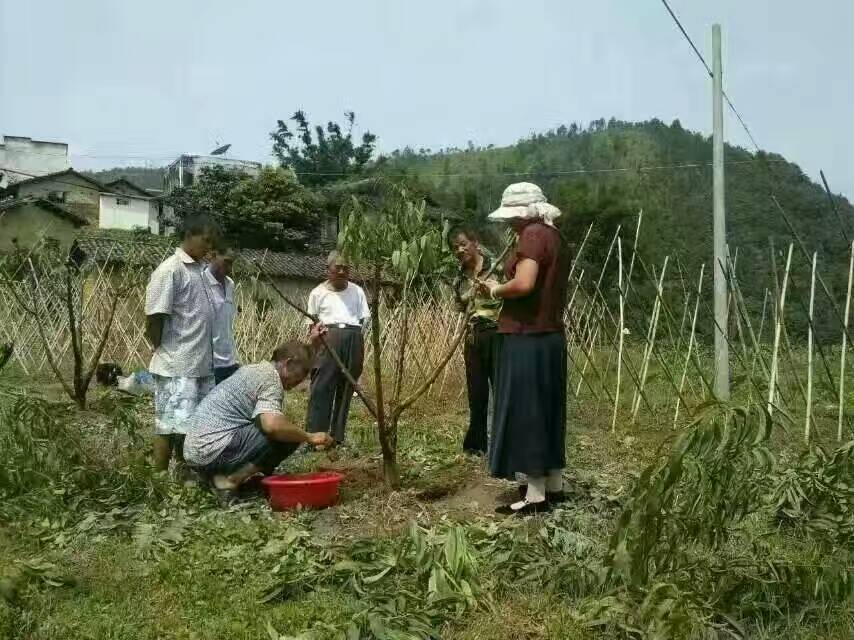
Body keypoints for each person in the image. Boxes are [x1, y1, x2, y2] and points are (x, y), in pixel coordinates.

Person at [477, 183, 570, 516]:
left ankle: (534, 497)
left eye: (512, 218)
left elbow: (525, 283)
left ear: (524, 213)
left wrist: (495, 290)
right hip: (551, 336)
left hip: (527, 335)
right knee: (548, 410)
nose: (509, 225)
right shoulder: (555, 236)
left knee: (527, 412)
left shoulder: (531, 235)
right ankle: (554, 485)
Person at [183, 335, 333, 500]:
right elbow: (272, 426)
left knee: (287, 429)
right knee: (289, 436)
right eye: (302, 373)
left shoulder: (256, 370)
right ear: (288, 363)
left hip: (197, 451)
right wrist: (309, 437)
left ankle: (213, 477)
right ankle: (229, 481)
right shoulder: (271, 379)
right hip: (210, 451)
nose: (301, 380)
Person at [145, 215, 219, 473]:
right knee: (168, 424)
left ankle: (187, 474)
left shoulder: (200, 270)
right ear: (189, 235)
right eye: (205, 240)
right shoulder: (170, 270)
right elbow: (155, 316)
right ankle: (160, 477)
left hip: (200, 363)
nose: (209, 247)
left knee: (192, 425)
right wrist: (161, 348)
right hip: (177, 362)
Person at [306, 251, 370, 444]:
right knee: (321, 387)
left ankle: (337, 437)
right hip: (328, 338)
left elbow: (363, 318)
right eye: (338, 268)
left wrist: (355, 338)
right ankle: (316, 436)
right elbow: (312, 323)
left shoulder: (357, 291)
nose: (342, 271)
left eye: (346, 268)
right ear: (328, 270)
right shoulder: (318, 293)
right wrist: (318, 341)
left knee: (347, 387)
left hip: (353, 337)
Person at [449, 225, 501, 455]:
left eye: (463, 244)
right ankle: (476, 445)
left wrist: (491, 290)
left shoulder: (496, 267)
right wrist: (470, 297)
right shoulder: (460, 277)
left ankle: (503, 445)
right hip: (473, 336)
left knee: (502, 390)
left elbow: (512, 296)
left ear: (475, 243)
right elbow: (459, 306)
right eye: (455, 247)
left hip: (499, 333)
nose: (460, 250)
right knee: (476, 392)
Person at [205, 247, 240, 385]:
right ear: (213, 256)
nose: (229, 268)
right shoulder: (201, 283)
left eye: (232, 263)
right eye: (226, 262)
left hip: (230, 360)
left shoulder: (230, 284)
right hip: (209, 363)